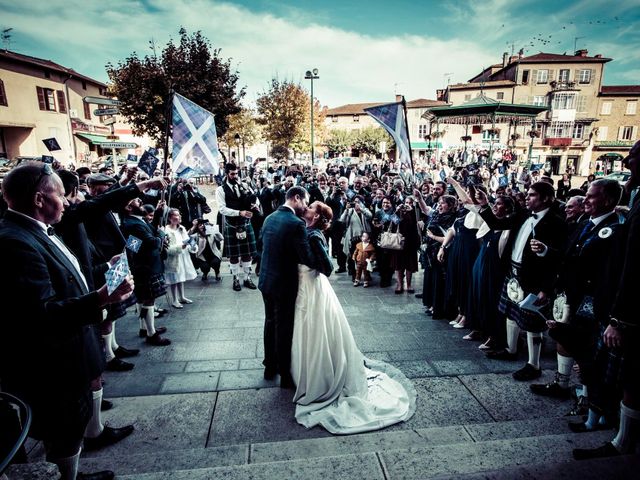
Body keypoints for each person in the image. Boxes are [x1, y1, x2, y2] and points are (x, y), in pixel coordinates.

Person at [0, 162, 134, 480]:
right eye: (61, 194)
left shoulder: (39, 231)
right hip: (54, 365)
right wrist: (102, 297)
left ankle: (72, 468)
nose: (69, 201)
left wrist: (107, 268)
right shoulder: (14, 241)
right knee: (62, 433)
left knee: (71, 431)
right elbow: (42, 314)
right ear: (39, 199)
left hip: (73, 351)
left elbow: (68, 277)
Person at [291, 200, 416, 433]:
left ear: (317, 216)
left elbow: (326, 267)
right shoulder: (306, 229)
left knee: (316, 328)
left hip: (311, 286)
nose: (306, 208)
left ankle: (322, 376)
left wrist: (307, 263)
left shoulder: (315, 235)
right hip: (304, 287)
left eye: (310, 208)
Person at [573, 140, 640, 460]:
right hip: (597, 304)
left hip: (607, 306)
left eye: (634, 157)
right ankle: (594, 415)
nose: (628, 163)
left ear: (609, 200)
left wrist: (619, 318)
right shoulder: (594, 222)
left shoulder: (614, 226)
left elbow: (624, 268)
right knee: (592, 363)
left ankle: (615, 434)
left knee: (613, 371)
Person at [478, 182, 567, 381]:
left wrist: (546, 287)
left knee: (532, 323)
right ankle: (510, 349)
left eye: (533, 195)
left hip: (534, 279)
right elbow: (497, 224)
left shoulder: (557, 223)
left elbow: (561, 259)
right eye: (527, 194)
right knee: (511, 314)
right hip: (513, 274)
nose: (527, 198)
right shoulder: (523, 215)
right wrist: (484, 205)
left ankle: (533, 365)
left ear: (546, 198)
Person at [259, 186, 315, 388]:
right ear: (297, 198)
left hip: (266, 280)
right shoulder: (296, 223)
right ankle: (285, 374)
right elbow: (305, 257)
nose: (305, 207)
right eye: (305, 202)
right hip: (283, 283)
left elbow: (263, 245)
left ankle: (269, 366)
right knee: (283, 327)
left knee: (269, 322)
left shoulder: (269, 217)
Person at [216, 163, 261, 291]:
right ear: (226, 174)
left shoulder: (244, 186)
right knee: (234, 255)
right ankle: (235, 279)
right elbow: (222, 209)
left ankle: (247, 278)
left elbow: (255, 198)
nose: (235, 176)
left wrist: (254, 205)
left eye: (236, 173)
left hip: (246, 224)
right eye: (232, 174)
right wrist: (239, 212)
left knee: (247, 254)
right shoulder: (221, 190)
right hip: (232, 225)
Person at [163, 208, 198, 308]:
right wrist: (180, 247)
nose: (179, 217)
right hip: (174, 257)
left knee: (181, 277)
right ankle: (175, 300)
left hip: (183, 256)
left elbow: (187, 239)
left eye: (179, 215)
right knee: (174, 278)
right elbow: (167, 247)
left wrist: (192, 245)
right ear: (170, 218)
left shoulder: (181, 228)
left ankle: (182, 297)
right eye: (176, 215)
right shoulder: (166, 230)